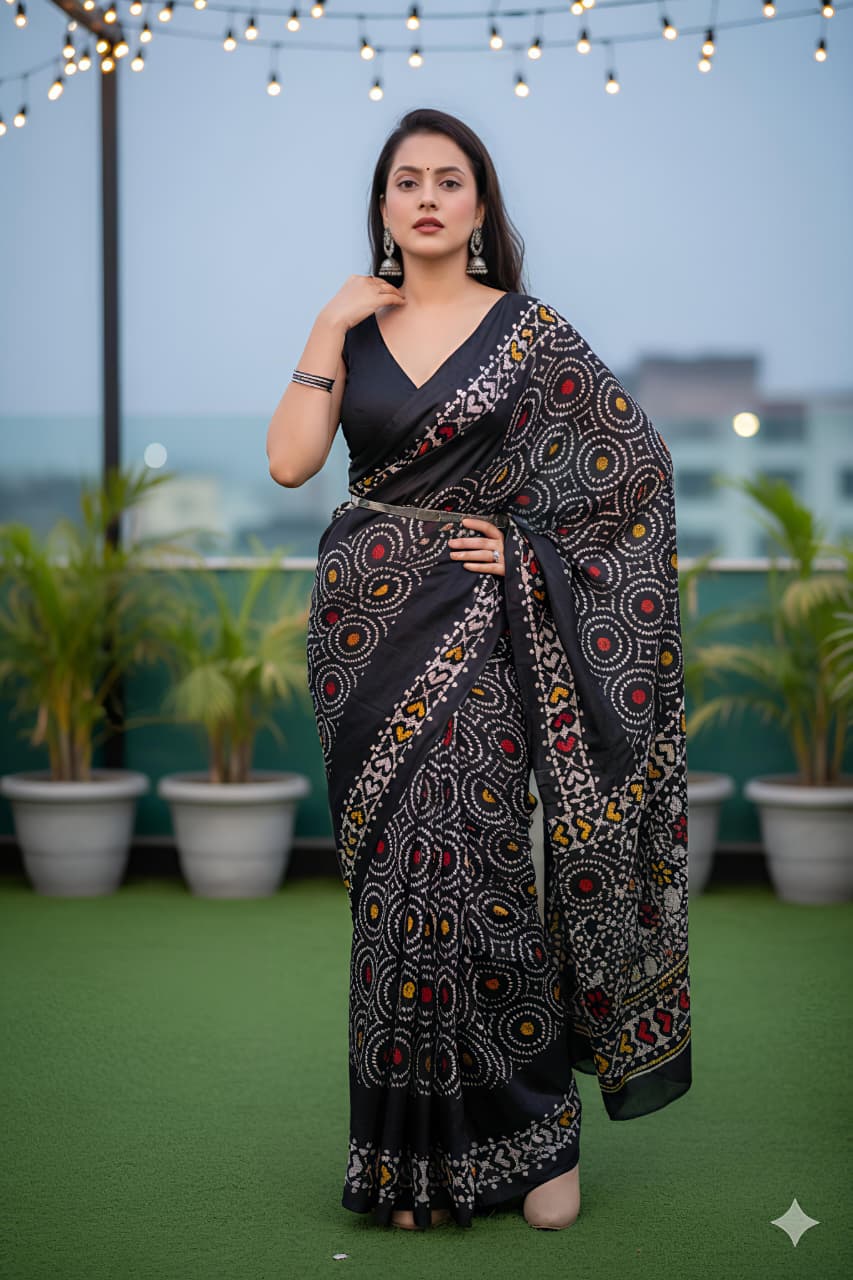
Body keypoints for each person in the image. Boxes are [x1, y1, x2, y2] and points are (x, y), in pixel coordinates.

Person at [266, 107, 692, 1233]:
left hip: (485, 628)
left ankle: (529, 1132)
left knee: (485, 874)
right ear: (383, 205)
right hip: (362, 635)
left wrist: (528, 549)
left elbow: (633, 474)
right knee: (392, 903)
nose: (425, 197)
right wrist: (322, 324)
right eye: (405, 180)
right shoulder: (352, 329)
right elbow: (288, 460)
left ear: (480, 207)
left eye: (448, 180)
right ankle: (403, 1162)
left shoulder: (532, 334)